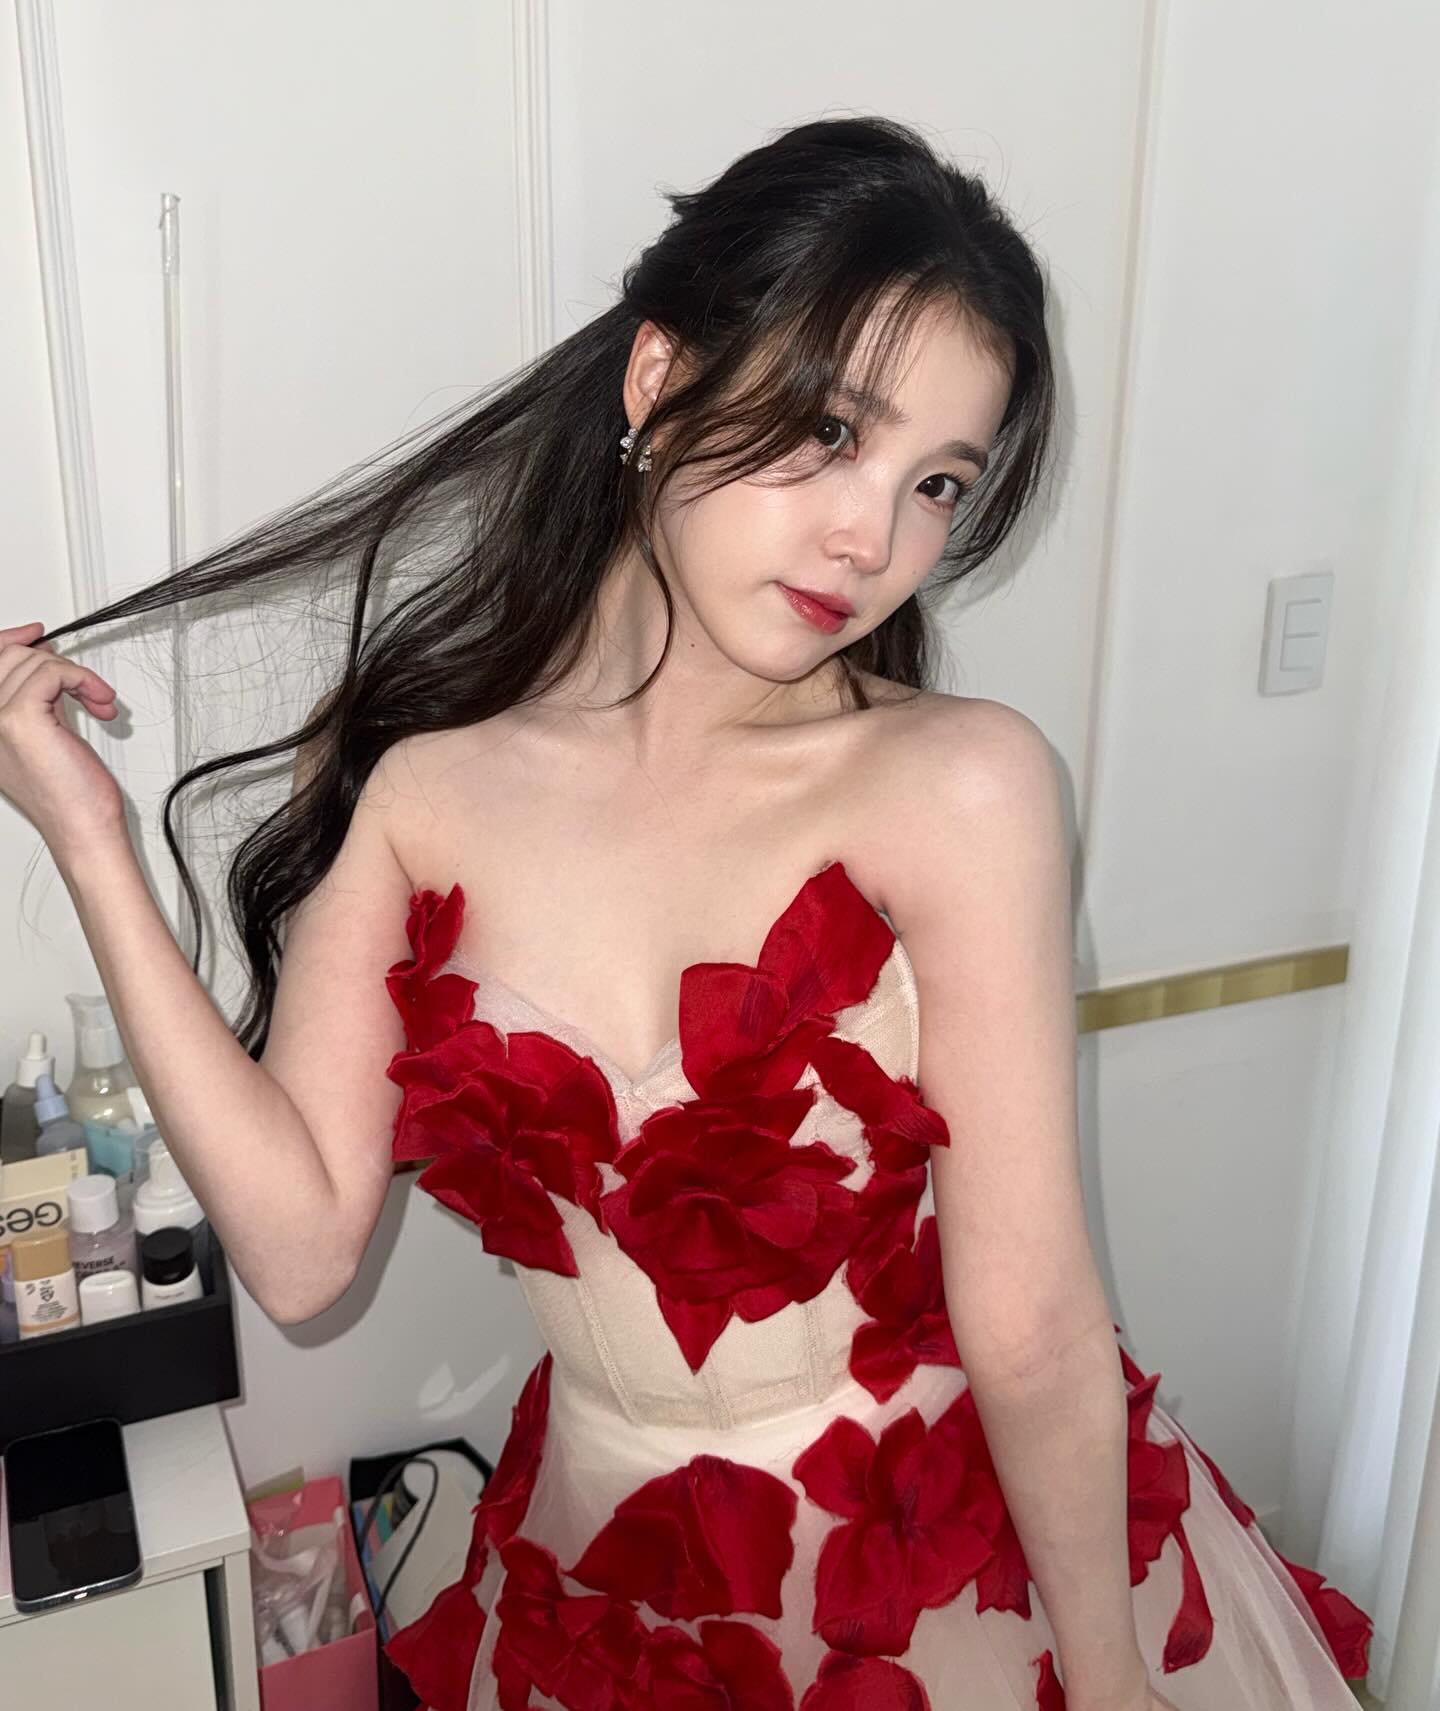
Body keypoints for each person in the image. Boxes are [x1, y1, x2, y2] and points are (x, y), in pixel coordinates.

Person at [0, 115, 1371, 1710]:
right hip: (612, 1585)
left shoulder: (961, 787)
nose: (874, 539)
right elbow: (301, 1254)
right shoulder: (427, 794)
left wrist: (1114, 1686)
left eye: (936, 482)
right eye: (833, 432)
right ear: (659, 379)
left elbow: (1037, 1325)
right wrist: (88, 839)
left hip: (945, 1579)